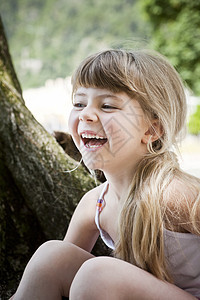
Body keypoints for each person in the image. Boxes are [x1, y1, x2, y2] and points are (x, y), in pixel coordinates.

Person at [11, 49, 200, 299]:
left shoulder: (177, 195)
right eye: (79, 103)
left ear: (152, 129)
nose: (86, 114)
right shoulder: (96, 204)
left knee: (99, 274)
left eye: (107, 105)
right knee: (53, 257)